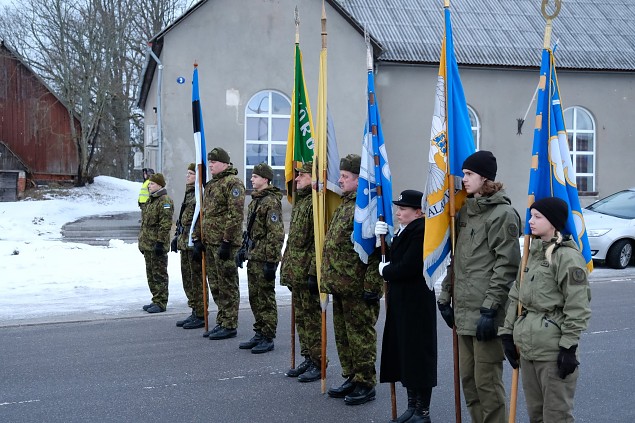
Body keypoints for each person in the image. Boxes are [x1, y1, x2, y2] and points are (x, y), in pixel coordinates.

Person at [437, 150, 521, 423]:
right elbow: (457, 260)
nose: (464, 179)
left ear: (485, 177)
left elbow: (506, 266)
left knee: (487, 383)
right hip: (464, 311)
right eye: (464, 173)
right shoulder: (465, 213)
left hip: (486, 312)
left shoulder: (502, 214)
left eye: (470, 174)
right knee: (468, 381)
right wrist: (444, 296)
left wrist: (490, 308)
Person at [499, 197, 591, 423]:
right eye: (531, 216)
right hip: (529, 350)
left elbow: (577, 305)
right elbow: (516, 296)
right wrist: (507, 333)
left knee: (556, 416)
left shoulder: (566, 257)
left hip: (552, 352)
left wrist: (568, 347)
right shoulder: (531, 254)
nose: (530, 221)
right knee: (536, 416)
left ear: (553, 222)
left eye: (537, 217)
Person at [321, 154, 383, 406]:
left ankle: (366, 382)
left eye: (345, 176)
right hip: (340, 285)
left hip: (358, 286)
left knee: (360, 336)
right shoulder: (347, 204)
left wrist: (372, 285)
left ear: (360, 180)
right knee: (344, 336)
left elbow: (376, 250)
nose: (340, 180)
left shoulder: (367, 207)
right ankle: (352, 375)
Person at [375, 189, 436, 423]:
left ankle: (423, 411)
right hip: (403, 299)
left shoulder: (421, 231)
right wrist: (382, 244)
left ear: (418, 212)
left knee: (418, 355)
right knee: (406, 354)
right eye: (398, 208)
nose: (398, 213)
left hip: (416, 301)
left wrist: (386, 271)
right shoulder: (406, 230)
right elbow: (397, 258)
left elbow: (409, 266)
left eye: (403, 209)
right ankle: (412, 407)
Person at [192, 147, 245, 340]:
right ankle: (222, 320)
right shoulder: (212, 185)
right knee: (215, 284)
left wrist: (227, 241)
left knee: (227, 284)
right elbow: (203, 213)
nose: (211, 165)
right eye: (210, 162)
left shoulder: (233, 183)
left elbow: (235, 214)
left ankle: (230, 323)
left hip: (225, 244)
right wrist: (198, 237)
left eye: (214, 162)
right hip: (210, 242)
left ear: (224, 163)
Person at [280, 162, 322, 382]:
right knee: (302, 319)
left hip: (307, 272)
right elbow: (293, 241)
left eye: (301, 175)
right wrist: (286, 268)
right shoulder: (302, 202)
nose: (296, 179)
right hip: (296, 270)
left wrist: (314, 272)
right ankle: (308, 357)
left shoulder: (316, 204)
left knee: (313, 319)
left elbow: (318, 242)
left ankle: (318, 361)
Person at [238, 163, 284, 354]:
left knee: (265, 297)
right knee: (255, 297)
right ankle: (259, 332)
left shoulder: (270, 202)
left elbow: (275, 233)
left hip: (264, 257)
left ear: (265, 179)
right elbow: (251, 230)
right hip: (254, 255)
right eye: (252, 176)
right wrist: (243, 249)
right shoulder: (256, 200)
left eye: (255, 176)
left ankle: (268, 335)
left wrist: (272, 261)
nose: (252, 179)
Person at [174, 163, 207, 329]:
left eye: (191, 173)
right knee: (188, 280)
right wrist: (176, 237)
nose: (187, 176)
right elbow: (184, 220)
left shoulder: (199, 194)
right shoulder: (189, 194)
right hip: (184, 242)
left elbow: (200, 220)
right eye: (187, 173)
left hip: (193, 243)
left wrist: (197, 241)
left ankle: (201, 314)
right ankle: (195, 310)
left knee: (197, 280)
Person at [138, 172, 174, 314]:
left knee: (159, 274)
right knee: (151, 274)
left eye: (152, 184)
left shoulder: (164, 201)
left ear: (159, 185)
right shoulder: (150, 201)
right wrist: (142, 241)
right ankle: (155, 298)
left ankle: (161, 301)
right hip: (148, 244)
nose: (149, 186)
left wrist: (160, 243)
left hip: (157, 245)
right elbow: (145, 224)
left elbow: (165, 225)